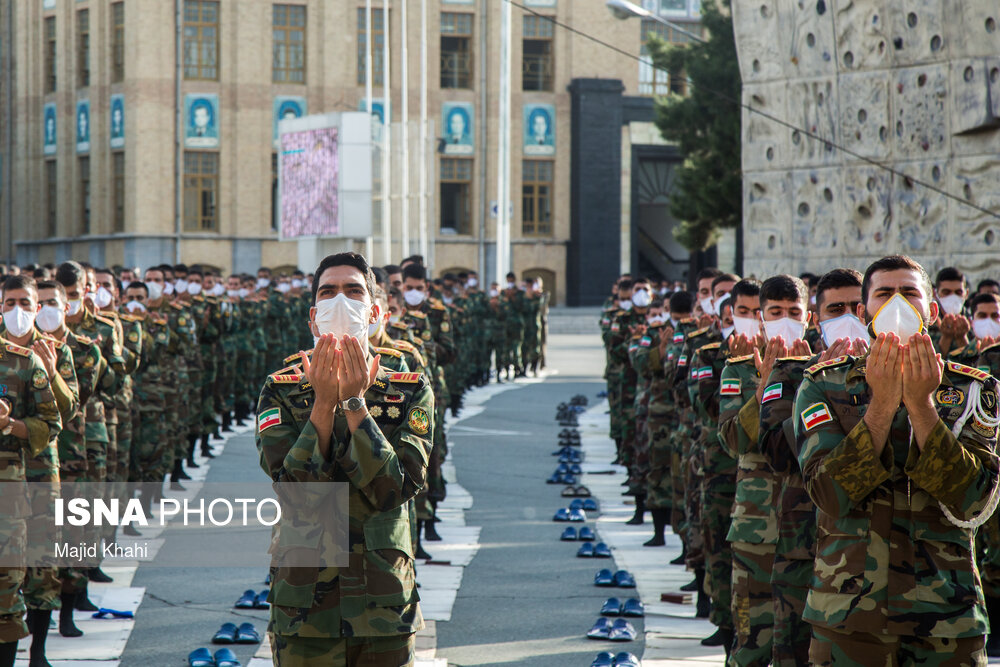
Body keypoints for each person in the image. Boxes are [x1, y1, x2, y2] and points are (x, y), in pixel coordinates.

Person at [796, 254, 999, 664]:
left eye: (909, 293)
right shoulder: (824, 386)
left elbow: (974, 499)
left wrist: (922, 407)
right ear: (862, 310)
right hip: (850, 617)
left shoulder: (974, 390)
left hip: (946, 617)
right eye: (883, 294)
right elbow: (829, 494)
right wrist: (882, 406)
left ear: (932, 310)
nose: (897, 305)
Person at [256, 252, 434, 666]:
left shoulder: (407, 389)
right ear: (313, 318)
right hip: (304, 606)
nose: (340, 301)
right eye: (328, 292)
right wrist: (322, 402)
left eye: (353, 291)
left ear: (374, 311)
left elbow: (395, 488)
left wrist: (355, 403)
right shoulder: (281, 390)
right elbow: (294, 491)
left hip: (384, 602)